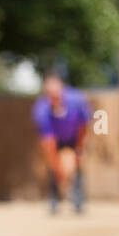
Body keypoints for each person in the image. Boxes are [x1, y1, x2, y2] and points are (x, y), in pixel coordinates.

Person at [31, 75, 92, 213]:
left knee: (79, 166)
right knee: (53, 169)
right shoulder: (41, 109)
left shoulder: (77, 100)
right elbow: (48, 143)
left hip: (75, 136)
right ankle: (54, 201)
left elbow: (83, 126)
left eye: (57, 95)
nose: (55, 99)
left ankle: (78, 201)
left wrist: (79, 149)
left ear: (63, 90)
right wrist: (59, 170)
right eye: (51, 96)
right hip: (55, 140)